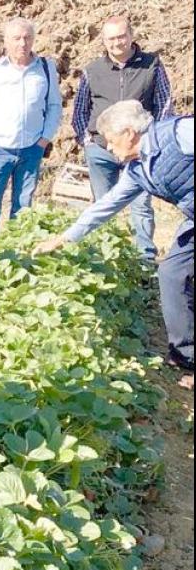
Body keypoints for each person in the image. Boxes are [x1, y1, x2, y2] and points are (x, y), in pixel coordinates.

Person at [37, 102, 192, 375]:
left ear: (129, 133)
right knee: (171, 274)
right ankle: (186, 357)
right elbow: (105, 206)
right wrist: (63, 239)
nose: (108, 148)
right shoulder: (137, 171)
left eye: (110, 140)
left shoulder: (179, 133)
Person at [72, 15, 174, 262]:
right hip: (101, 149)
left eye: (121, 36)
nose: (117, 43)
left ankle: (145, 259)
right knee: (103, 204)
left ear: (131, 36)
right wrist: (86, 140)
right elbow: (80, 110)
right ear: (104, 41)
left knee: (141, 204)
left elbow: (164, 105)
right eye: (111, 38)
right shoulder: (92, 70)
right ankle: (103, 257)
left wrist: (152, 141)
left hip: (139, 149)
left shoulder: (151, 65)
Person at [0, 18, 63, 248]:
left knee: (23, 205)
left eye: (27, 38)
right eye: (16, 38)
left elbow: (55, 106)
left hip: (31, 150)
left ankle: (16, 253)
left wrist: (45, 138)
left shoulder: (45, 69)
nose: (22, 43)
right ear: (5, 41)